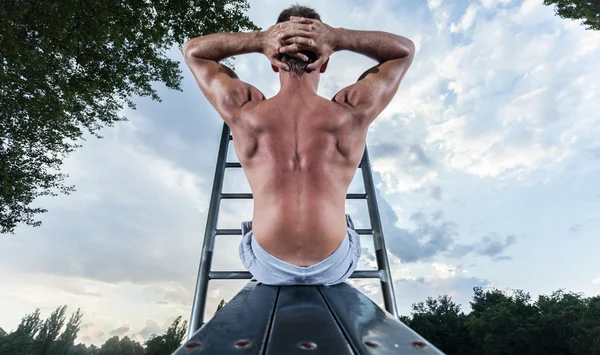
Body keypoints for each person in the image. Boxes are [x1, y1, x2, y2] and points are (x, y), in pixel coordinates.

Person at [183, 5, 414, 286]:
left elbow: (194, 51)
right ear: (325, 62)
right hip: (334, 263)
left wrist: (259, 40)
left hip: (267, 265)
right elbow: (404, 50)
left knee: (252, 232)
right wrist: (338, 37)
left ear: (273, 61)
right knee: (347, 226)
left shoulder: (245, 111)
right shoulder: (351, 112)